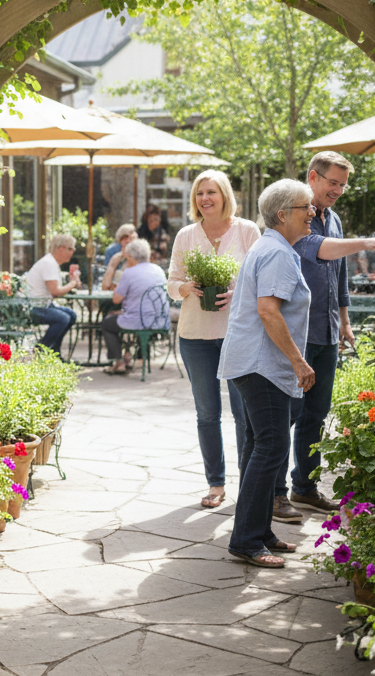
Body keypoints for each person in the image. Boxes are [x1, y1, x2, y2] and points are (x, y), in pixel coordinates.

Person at [219, 179, 375, 567]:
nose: (313, 213)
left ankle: (258, 532)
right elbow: (268, 311)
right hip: (260, 365)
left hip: (251, 363)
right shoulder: (278, 253)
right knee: (270, 449)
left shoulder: (272, 245)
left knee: (260, 448)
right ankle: (247, 540)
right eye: (306, 208)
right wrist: (299, 361)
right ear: (283, 215)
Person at [274, 152, 375, 523]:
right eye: (333, 183)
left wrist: (344, 320)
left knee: (316, 413)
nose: (339, 190)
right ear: (313, 177)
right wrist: (368, 242)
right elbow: (319, 251)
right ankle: (275, 494)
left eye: (343, 184)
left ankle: (305, 488)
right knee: (288, 414)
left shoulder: (336, 219)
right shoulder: (295, 216)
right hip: (295, 334)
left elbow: (338, 274)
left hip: (326, 331)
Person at [167, 170, 261, 509]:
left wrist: (236, 294)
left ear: (225, 195)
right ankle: (216, 484)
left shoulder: (247, 230)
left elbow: (259, 278)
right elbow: (172, 282)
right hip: (195, 335)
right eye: (199, 193)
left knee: (243, 414)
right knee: (207, 414)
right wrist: (184, 287)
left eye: (211, 192)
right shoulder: (186, 235)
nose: (204, 198)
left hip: (238, 335)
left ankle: (248, 485)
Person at [101, 238, 168, 374]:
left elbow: (116, 299)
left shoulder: (130, 273)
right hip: (159, 320)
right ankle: (127, 357)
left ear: (130, 256)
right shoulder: (158, 270)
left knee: (107, 323)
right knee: (119, 317)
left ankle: (119, 362)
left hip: (139, 321)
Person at [22, 234, 81, 357]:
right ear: (60, 248)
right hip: (33, 307)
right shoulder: (49, 264)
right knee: (63, 318)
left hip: (42, 304)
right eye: (70, 249)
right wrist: (73, 283)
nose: (73, 252)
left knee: (71, 315)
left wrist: (72, 282)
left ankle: (54, 352)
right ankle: (41, 349)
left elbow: (55, 291)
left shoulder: (51, 263)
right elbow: (55, 291)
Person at [101, 223, 137, 288]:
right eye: (125, 238)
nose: (128, 241)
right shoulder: (116, 257)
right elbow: (105, 286)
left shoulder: (139, 258)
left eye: (131, 239)